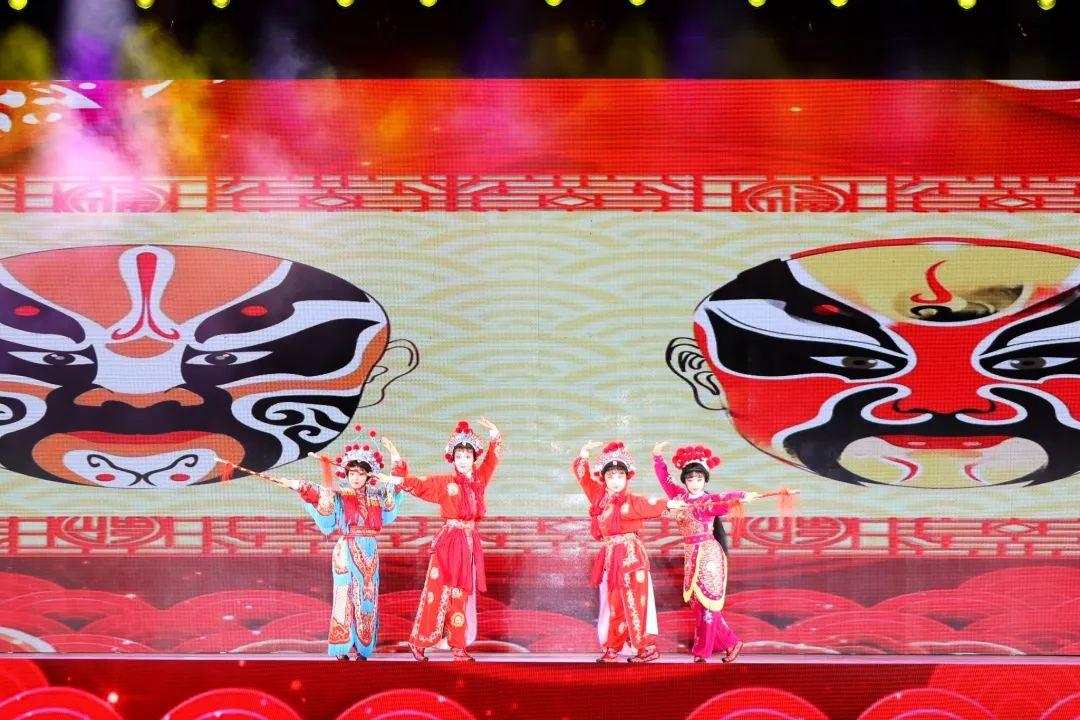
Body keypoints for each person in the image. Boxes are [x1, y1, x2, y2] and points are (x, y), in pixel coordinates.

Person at [272, 424, 403, 660]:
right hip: (346, 550)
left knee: (366, 596)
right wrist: (295, 485)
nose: (355, 478)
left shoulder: (377, 497)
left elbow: (396, 486)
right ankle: (342, 646)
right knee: (344, 595)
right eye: (351, 473)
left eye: (360, 473)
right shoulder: (342, 495)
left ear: (369, 476)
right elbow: (319, 493)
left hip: (369, 550)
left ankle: (363, 647)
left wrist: (395, 455)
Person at [382, 417, 502, 662]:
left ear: (473, 458)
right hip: (449, 543)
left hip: (468, 543)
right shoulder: (444, 483)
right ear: (453, 458)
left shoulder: (479, 480)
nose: (463, 460)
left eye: (467, 456)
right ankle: (419, 641)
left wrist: (494, 434)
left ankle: (458, 647)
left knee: (460, 595)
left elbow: (492, 459)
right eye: (459, 456)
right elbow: (419, 484)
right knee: (436, 593)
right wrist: (395, 477)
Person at [573, 440, 687, 663]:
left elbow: (650, 504)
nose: (616, 481)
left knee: (635, 604)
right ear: (604, 478)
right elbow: (583, 478)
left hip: (632, 559)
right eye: (611, 476)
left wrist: (670, 504)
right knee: (616, 604)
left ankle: (645, 648)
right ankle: (613, 648)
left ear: (627, 478)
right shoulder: (599, 498)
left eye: (620, 476)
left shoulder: (631, 501)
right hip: (612, 559)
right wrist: (584, 454)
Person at [652, 441, 759, 663]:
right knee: (697, 604)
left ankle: (702, 652)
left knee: (707, 604)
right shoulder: (679, 499)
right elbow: (665, 479)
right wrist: (657, 457)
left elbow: (726, 498)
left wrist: (743, 495)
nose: (694, 483)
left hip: (708, 554)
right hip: (691, 554)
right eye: (690, 479)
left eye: (699, 479)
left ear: (705, 480)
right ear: (685, 480)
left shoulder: (708, 501)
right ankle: (731, 642)